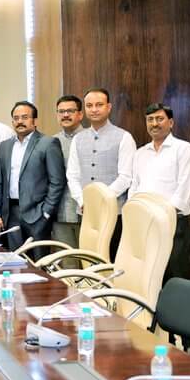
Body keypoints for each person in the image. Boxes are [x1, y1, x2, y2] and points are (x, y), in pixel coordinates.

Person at [131, 103, 190, 281]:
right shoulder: (140, 153)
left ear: (171, 123)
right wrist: (134, 209)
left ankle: (178, 301)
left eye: (159, 119)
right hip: (145, 222)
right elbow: (135, 186)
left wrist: (164, 214)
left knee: (174, 273)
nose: (154, 123)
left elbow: (185, 187)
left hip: (173, 222)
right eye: (150, 119)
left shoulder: (184, 149)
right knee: (149, 275)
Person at [65, 88, 137, 258]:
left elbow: (126, 176)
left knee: (111, 258)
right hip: (86, 210)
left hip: (114, 211)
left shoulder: (124, 137)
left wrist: (103, 199)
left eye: (99, 105)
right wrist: (82, 200)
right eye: (89, 105)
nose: (94, 109)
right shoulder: (78, 139)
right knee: (88, 258)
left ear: (108, 107)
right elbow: (72, 175)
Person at [0, 101, 65, 255]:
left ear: (34, 121)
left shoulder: (48, 143)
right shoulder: (5, 146)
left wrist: (46, 212)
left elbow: (57, 182)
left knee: (39, 263)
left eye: (24, 117)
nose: (20, 121)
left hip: (37, 214)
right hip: (10, 215)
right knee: (15, 261)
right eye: (16, 118)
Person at [52, 95, 85, 248]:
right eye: (61, 111)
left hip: (86, 211)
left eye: (70, 111)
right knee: (66, 259)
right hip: (60, 213)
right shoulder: (51, 142)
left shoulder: (90, 139)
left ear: (80, 114)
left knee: (89, 259)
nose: (65, 115)